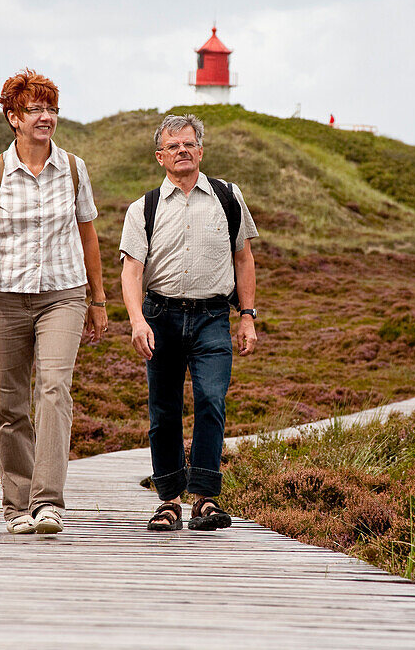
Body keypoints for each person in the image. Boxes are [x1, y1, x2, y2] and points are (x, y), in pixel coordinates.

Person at [0, 68, 107, 535]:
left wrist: (98, 299)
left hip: (63, 295)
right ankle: (16, 505)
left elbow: (89, 236)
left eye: (52, 109)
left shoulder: (75, 169)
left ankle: (47, 502)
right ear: (13, 117)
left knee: (54, 389)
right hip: (2, 298)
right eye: (35, 109)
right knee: (10, 404)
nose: (46, 117)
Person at [119, 114, 259, 531]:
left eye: (189, 144)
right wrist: (136, 320)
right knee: (163, 412)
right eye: (173, 146)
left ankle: (204, 499)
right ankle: (169, 500)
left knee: (211, 402)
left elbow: (243, 258)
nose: (182, 151)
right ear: (160, 156)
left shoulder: (228, 197)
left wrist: (248, 316)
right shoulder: (142, 208)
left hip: (213, 317)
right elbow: (131, 271)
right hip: (159, 316)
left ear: (201, 150)